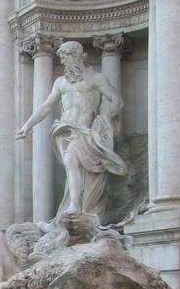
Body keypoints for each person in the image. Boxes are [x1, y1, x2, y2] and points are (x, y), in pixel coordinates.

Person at [15, 40, 127, 224]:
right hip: (65, 130)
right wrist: (28, 125)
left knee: (73, 163)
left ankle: (76, 206)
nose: (64, 62)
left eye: (66, 58)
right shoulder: (60, 83)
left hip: (86, 131)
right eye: (62, 59)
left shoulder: (96, 78)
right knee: (71, 164)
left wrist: (104, 120)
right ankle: (74, 204)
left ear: (76, 56)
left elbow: (117, 101)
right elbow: (45, 106)